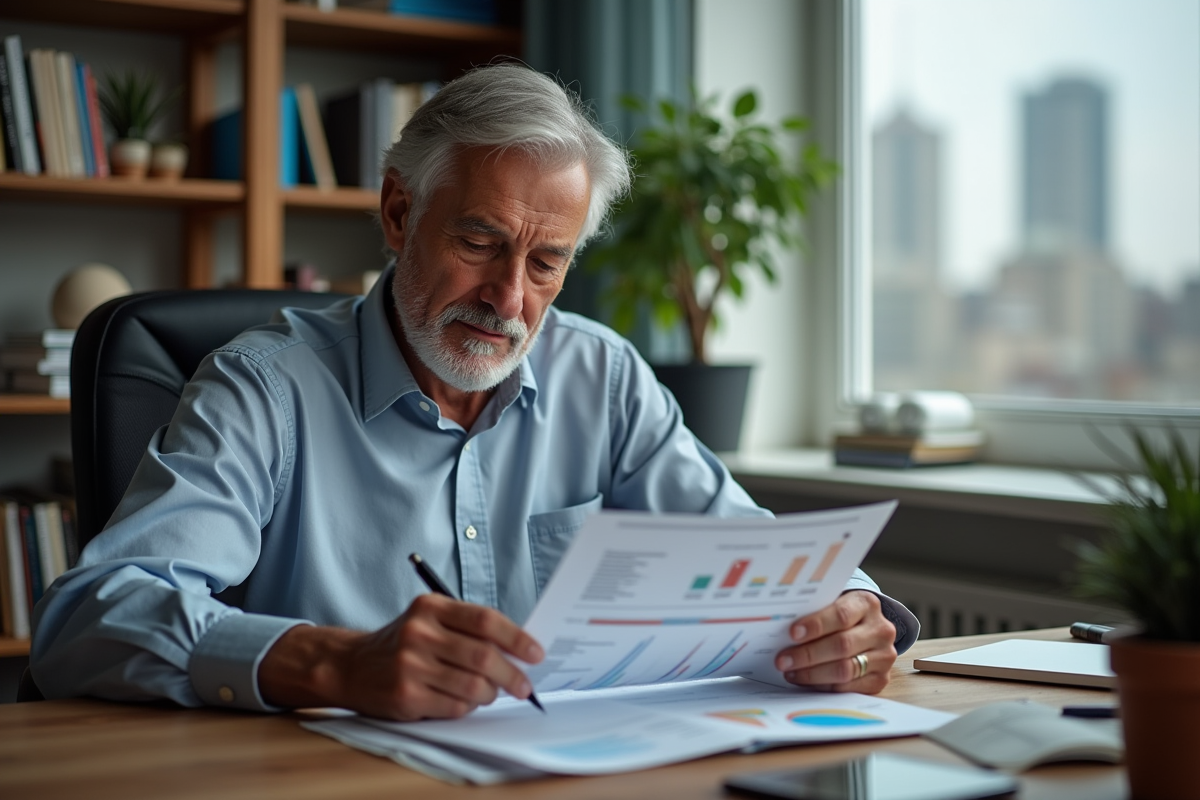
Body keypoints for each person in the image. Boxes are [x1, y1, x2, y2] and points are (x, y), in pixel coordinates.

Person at [31, 64, 917, 721]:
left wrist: (850, 611)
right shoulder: (265, 388)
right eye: (481, 243)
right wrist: (333, 664)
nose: (509, 300)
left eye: (545, 262)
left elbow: (758, 557)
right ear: (396, 213)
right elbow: (88, 618)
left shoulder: (601, 376)